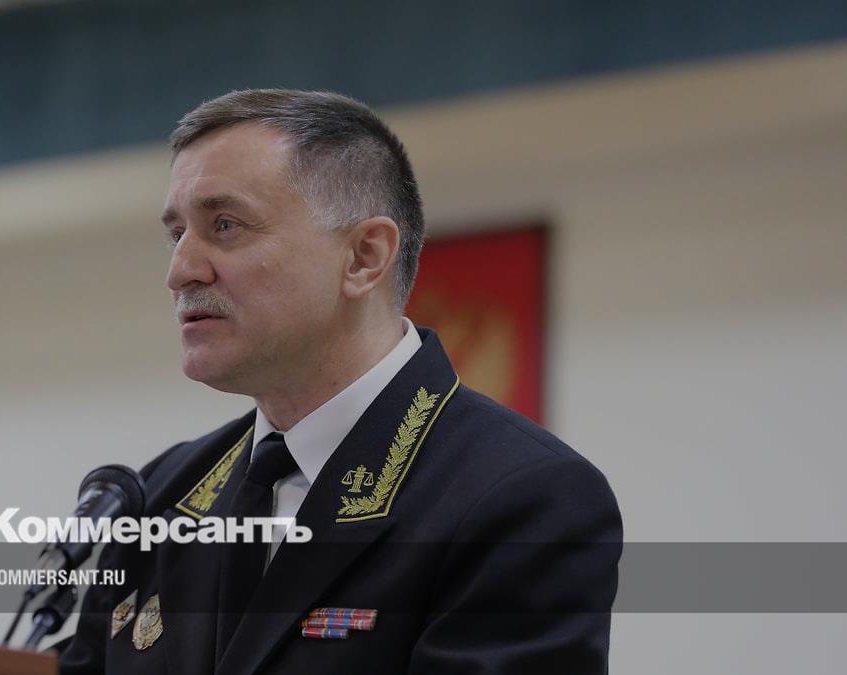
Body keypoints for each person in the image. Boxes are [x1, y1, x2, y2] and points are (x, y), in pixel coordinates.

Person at [56, 89, 622, 674]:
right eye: (177, 234)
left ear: (363, 257)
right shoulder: (160, 494)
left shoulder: (520, 498)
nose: (180, 271)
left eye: (225, 225)